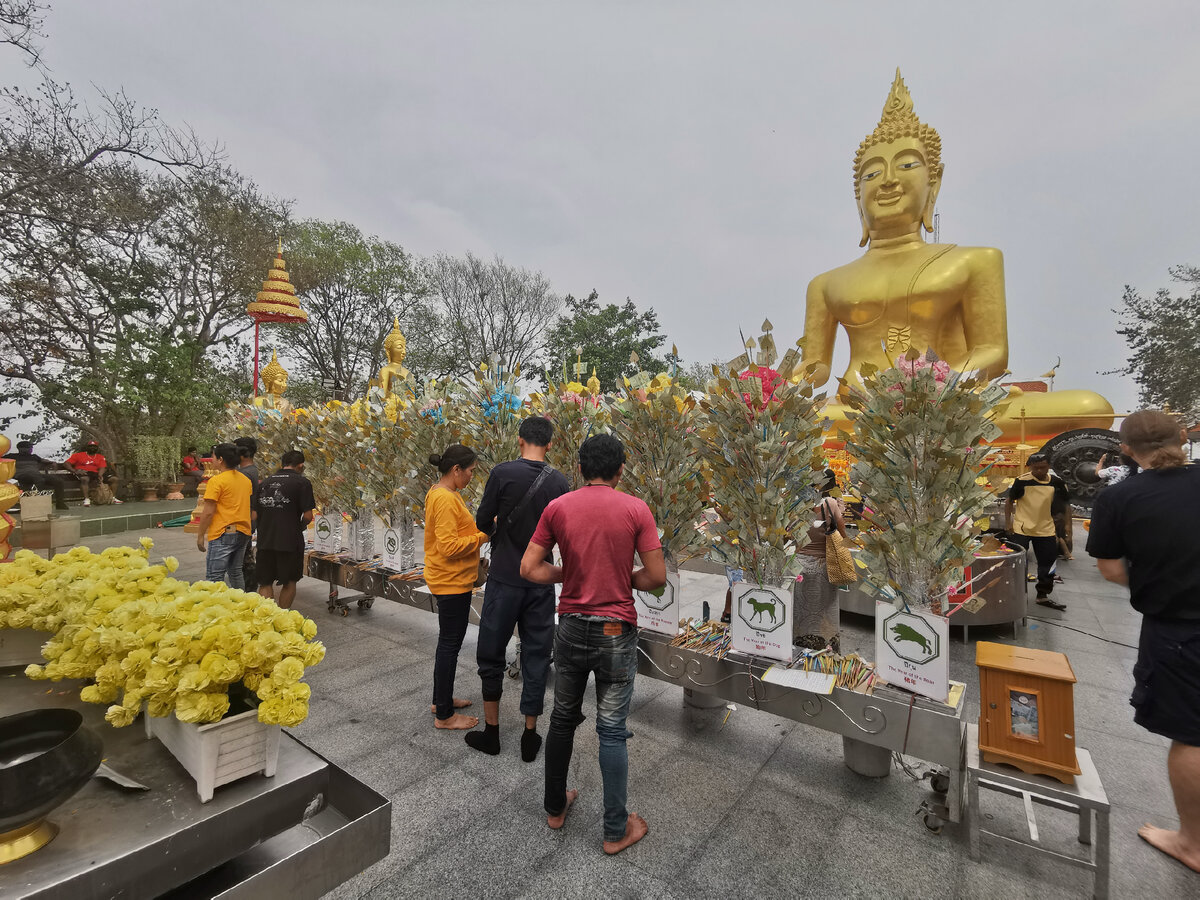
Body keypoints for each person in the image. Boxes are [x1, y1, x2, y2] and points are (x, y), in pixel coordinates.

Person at [521, 433, 665, 856]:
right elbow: (656, 577)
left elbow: (530, 567)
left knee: (563, 718)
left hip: (569, 628)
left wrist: (569, 575)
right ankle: (614, 830)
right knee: (612, 730)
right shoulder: (636, 508)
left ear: (580, 468)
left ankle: (554, 807)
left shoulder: (558, 507)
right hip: (615, 633)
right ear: (621, 470)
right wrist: (624, 580)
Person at [1086, 410, 1200, 873]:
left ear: (1125, 450)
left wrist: (1160, 578)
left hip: (1178, 628)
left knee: (1191, 734)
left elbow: (1112, 569)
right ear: (1185, 437)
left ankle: (1192, 842)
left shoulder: (1120, 497)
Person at [464, 416, 569, 760]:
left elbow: (482, 521)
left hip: (505, 578)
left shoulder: (502, 473)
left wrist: (499, 525)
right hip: (539, 583)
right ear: (550, 444)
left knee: (491, 654)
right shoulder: (560, 482)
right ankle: (529, 735)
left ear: (520, 440)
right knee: (537, 655)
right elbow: (563, 534)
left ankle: (492, 733)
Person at [424, 444, 488, 731]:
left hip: (449, 577)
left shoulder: (442, 493)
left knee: (447, 643)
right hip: (451, 581)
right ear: (456, 470)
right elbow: (449, 546)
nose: (472, 477)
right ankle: (445, 716)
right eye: (471, 471)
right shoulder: (445, 500)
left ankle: (442, 700)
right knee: (450, 644)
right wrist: (483, 536)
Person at [1005, 453, 1069, 610]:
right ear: (1030, 467)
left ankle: (1043, 595)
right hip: (1022, 527)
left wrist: (1067, 526)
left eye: (1043, 467)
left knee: (1048, 563)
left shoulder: (1056, 482)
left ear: (1049, 466)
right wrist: (1008, 523)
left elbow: (1066, 504)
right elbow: (1009, 501)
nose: (1040, 471)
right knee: (1017, 562)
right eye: (1036, 468)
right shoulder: (1021, 481)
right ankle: (1013, 594)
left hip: (1045, 528)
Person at [794, 476, 848, 651]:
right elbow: (842, 535)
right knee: (825, 610)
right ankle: (826, 650)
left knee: (800, 611)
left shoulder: (792, 504)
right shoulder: (830, 504)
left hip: (798, 567)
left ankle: (799, 648)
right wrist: (840, 511)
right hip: (823, 568)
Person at [256, 450, 315, 610]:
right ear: (301, 465)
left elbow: (254, 514)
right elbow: (308, 516)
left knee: (265, 581)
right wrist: (300, 526)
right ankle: (282, 617)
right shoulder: (302, 483)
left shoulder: (265, 483)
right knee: (289, 581)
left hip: (265, 539)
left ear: (282, 464)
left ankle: (267, 617)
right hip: (289, 540)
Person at [195, 442, 252, 588]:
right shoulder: (245, 480)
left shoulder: (216, 481)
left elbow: (208, 512)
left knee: (214, 576)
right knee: (236, 572)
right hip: (243, 531)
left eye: (213, 457)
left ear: (220, 460)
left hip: (223, 532)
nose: (211, 460)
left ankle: (217, 609)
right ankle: (241, 605)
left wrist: (201, 535)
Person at [6, 441, 69, 510]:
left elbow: (43, 460)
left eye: (31, 448)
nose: (31, 449)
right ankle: (39, 503)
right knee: (38, 479)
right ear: (21, 448)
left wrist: (52, 462)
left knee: (58, 481)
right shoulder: (12, 456)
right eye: (30, 448)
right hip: (22, 476)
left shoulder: (34, 457)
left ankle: (60, 504)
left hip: (36, 475)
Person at [234, 437, 260, 590]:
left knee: (244, 559)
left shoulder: (245, 474)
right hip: (248, 519)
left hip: (244, 519)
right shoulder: (250, 471)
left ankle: (248, 590)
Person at [64, 440, 122, 505]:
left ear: (97, 448)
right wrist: (74, 471)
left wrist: (100, 475)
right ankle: (86, 499)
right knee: (84, 479)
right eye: (90, 446)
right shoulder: (78, 455)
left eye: (94, 446)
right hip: (84, 473)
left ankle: (112, 498)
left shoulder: (100, 457)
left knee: (114, 479)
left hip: (96, 473)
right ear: (87, 447)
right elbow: (66, 463)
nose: (92, 448)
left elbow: (102, 467)